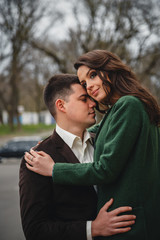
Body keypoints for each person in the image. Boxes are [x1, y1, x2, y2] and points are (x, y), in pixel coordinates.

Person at [25, 49, 160, 239]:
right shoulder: (118, 111)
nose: (89, 87)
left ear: (110, 69)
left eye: (93, 75)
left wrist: (55, 170)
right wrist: (51, 142)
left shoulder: (128, 105)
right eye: (83, 83)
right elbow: (100, 131)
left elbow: (105, 169)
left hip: (132, 226)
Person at [21, 73, 136, 240]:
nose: (93, 103)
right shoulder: (37, 159)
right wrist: (92, 229)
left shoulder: (104, 142)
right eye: (84, 99)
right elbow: (35, 230)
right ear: (61, 105)